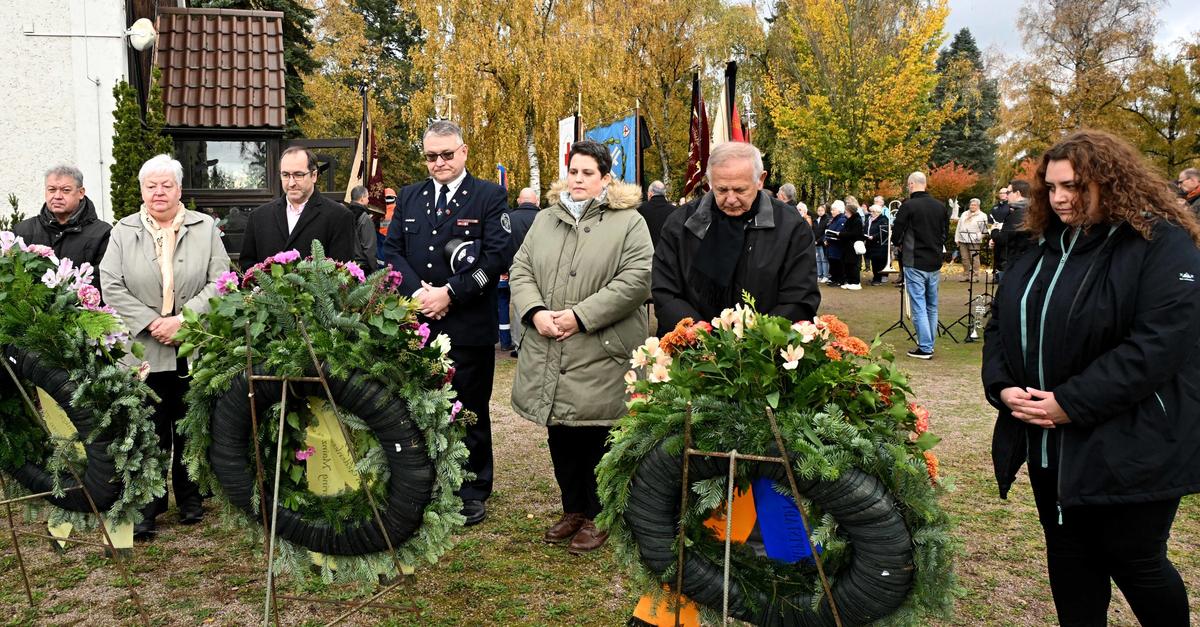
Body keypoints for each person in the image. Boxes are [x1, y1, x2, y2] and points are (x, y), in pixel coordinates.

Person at [983, 129, 1200, 626]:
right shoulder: (1041, 244)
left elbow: (1158, 345)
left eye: (1074, 186)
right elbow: (1001, 323)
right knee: (1068, 557)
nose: (1060, 198)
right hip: (1047, 442)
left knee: (1137, 560)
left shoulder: (1159, 243)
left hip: (1131, 442)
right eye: (1052, 187)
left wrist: (1071, 402)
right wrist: (1002, 386)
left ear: (1111, 181)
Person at [509, 140, 652, 554]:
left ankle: (600, 513)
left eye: (588, 173)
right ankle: (573, 507)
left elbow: (635, 280)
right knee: (561, 434)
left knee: (597, 434)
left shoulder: (628, 222)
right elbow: (521, 268)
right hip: (550, 345)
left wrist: (580, 316)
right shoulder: (545, 220)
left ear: (606, 178)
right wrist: (535, 311)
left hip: (599, 346)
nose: (578, 179)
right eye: (573, 171)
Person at [381, 120, 510, 526]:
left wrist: (449, 294)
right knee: (419, 407)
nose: (439, 163)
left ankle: (471, 489)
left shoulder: (488, 195)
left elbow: (494, 258)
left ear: (464, 151)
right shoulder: (410, 196)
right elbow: (393, 251)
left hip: (467, 324)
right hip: (420, 322)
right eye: (431, 156)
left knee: (468, 408)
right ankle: (429, 483)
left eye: (447, 154)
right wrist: (421, 294)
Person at [99, 154, 231, 539]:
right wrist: (151, 322)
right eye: (151, 185)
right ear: (142, 190)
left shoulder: (205, 227)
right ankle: (149, 504)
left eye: (166, 184)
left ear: (179, 188)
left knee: (190, 424)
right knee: (149, 428)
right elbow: (111, 284)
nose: (158, 192)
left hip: (192, 344)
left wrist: (183, 320)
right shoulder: (123, 230)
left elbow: (220, 280)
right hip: (143, 348)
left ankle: (191, 497)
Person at [652, 142, 819, 334]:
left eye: (740, 190)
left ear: (760, 180)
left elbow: (800, 298)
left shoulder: (791, 227)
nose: (731, 199)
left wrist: (752, 342)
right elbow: (665, 291)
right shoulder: (681, 224)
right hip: (693, 351)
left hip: (764, 353)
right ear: (710, 181)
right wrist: (699, 334)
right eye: (721, 190)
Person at [240, 146, 356, 269]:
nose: (291, 183)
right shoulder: (258, 217)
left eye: (298, 175)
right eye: (285, 175)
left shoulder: (339, 216)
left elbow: (342, 275)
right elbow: (247, 270)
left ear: (314, 175)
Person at [14, 165, 111, 285]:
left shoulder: (103, 233)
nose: (57, 196)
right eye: (52, 190)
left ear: (81, 193)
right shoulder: (22, 231)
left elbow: (103, 279)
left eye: (65, 190)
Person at [891, 171, 948, 359]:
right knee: (932, 305)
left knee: (919, 305)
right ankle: (928, 343)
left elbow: (897, 231)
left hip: (914, 261)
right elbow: (944, 233)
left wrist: (898, 244)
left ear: (911, 185)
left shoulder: (909, 206)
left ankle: (925, 347)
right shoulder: (940, 206)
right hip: (934, 261)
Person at [507, 187, 541, 353]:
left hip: (515, 270)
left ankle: (518, 344)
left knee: (519, 306)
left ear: (519, 201)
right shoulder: (545, 218)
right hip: (543, 271)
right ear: (537, 201)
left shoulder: (509, 219)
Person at [991, 179, 1032, 280]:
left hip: (1016, 264)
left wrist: (994, 231)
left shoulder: (1017, 214)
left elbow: (1003, 239)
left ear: (1017, 193)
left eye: (1008, 192)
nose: (1006, 195)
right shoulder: (1032, 210)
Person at [345, 185, 382, 271]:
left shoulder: (345, 215)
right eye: (367, 197)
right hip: (362, 268)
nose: (368, 200)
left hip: (347, 266)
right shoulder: (365, 218)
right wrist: (375, 270)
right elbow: (369, 248)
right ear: (362, 198)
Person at [955, 198, 989, 281]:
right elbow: (958, 227)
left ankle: (975, 276)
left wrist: (978, 237)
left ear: (978, 206)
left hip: (974, 240)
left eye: (974, 205)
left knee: (974, 258)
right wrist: (956, 238)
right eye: (971, 205)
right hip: (962, 239)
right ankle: (966, 275)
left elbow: (984, 231)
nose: (972, 206)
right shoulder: (964, 214)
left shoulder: (982, 215)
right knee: (964, 258)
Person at [638, 180, 676, 249]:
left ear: (650, 194)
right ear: (664, 194)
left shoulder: (640, 208)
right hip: (667, 253)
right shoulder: (674, 210)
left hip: (646, 252)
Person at [837, 196, 865, 290]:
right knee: (847, 264)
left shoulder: (857, 220)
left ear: (850, 212)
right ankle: (849, 281)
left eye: (846, 212)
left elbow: (855, 233)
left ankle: (856, 282)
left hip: (853, 245)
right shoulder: (849, 220)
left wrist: (841, 234)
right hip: (847, 246)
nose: (845, 213)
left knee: (854, 264)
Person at [864, 201, 890, 285]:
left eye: (873, 212)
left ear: (878, 212)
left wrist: (874, 236)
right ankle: (875, 277)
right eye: (871, 211)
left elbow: (884, 232)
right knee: (873, 262)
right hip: (870, 243)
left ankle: (878, 279)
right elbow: (866, 228)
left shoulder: (883, 219)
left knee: (878, 262)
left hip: (879, 245)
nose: (871, 213)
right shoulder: (869, 219)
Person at [824, 200, 847, 286]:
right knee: (832, 263)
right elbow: (827, 230)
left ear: (839, 210)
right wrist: (825, 239)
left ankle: (839, 280)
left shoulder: (842, 220)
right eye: (832, 209)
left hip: (837, 246)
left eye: (833, 210)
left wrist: (828, 239)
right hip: (831, 246)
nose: (831, 211)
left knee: (837, 264)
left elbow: (838, 232)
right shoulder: (834, 220)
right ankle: (834, 278)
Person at [813, 204, 831, 283]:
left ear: (824, 211)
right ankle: (819, 275)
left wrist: (818, 241)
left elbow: (825, 233)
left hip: (822, 243)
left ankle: (825, 276)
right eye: (818, 210)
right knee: (818, 260)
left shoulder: (827, 219)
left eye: (821, 210)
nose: (820, 212)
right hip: (815, 243)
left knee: (824, 260)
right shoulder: (815, 219)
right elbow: (812, 231)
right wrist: (814, 240)